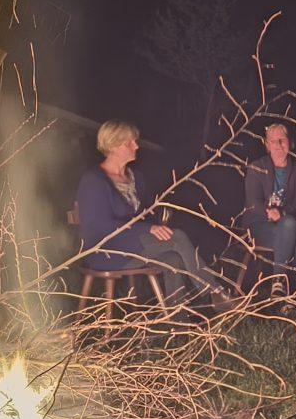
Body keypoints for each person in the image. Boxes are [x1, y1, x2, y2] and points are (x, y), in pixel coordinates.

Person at [75, 120, 229, 308]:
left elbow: (146, 213)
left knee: (173, 259)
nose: (136, 146)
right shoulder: (94, 180)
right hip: (107, 250)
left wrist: (158, 220)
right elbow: (99, 224)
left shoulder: (136, 177)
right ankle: (214, 291)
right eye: (129, 143)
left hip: (135, 245)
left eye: (135, 141)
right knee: (177, 237)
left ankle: (177, 321)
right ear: (113, 146)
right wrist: (148, 228)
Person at [241, 123, 296, 293]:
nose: (279, 145)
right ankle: (291, 290)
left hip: (287, 222)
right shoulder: (256, 168)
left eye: (282, 140)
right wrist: (269, 212)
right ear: (267, 145)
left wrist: (282, 213)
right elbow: (252, 201)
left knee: (289, 224)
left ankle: (279, 285)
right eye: (273, 141)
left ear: (291, 143)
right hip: (259, 226)